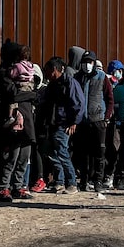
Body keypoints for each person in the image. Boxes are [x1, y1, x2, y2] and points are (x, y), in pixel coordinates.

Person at [0, 41, 37, 202]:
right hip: (11, 119)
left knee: (24, 155)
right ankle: (4, 188)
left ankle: (18, 186)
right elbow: (12, 94)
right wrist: (31, 94)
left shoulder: (18, 69)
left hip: (27, 119)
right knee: (10, 155)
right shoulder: (2, 72)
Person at [37, 56, 85, 194]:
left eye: (46, 71)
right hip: (52, 123)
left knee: (62, 152)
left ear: (54, 70)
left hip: (64, 124)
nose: (45, 74)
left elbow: (78, 103)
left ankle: (71, 183)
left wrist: (74, 122)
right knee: (51, 153)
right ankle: (59, 181)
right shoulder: (52, 85)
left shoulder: (69, 83)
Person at [73, 51, 114, 191]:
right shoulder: (77, 77)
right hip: (82, 121)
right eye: (85, 62)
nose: (87, 65)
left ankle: (98, 181)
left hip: (98, 120)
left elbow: (110, 99)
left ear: (94, 63)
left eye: (90, 62)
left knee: (99, 153)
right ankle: (84, 181)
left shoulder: (102, 77)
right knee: (83, 153)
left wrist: (107, 117)